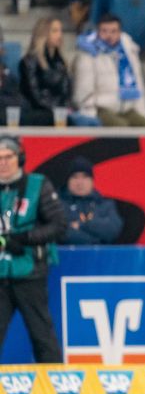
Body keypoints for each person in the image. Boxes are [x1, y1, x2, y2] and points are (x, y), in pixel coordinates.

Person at [0, 136, 66, 363]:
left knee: (42, 336)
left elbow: (59, 225)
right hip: (1, 274)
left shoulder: (37, 185)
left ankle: (55, 389)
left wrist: (26, 238)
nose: (3, 163)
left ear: (19, 158)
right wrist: (4, 241)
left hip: (31, 273)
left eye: (8, 157)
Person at [72, 13, 145, 127]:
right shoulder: (89, 53)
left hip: (126, 107)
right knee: (120, 127)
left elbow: (138, 83)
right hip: (101, 108)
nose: (109, 35)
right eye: (104, 31)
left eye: (113, 31)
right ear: (98, 32)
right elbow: (83, 89)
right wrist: (89, 113)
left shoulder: (128, 51)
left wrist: (143, 112)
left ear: (120, 33)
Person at [20, 17, 97, 127]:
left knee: (92, 122)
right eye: (55, 31)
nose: (59, 35)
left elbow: (66, 92)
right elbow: (35, 96)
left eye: (60, 30)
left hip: (62, 112)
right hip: (40, 113)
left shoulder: (61, 62)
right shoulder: (29, 62)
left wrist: (65, 109)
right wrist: (58, 110)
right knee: (71, 121)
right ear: (43, 34)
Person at [59, 156, 122, 244]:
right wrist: (96, 240)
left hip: (100, 256)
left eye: (85, 177)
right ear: (68, 181)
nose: (80, 182)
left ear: (92, 181)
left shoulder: (105, 204)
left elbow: (112, 230)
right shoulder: (58, 205)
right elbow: (61, 233)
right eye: (75, 177)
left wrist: (82, 225)